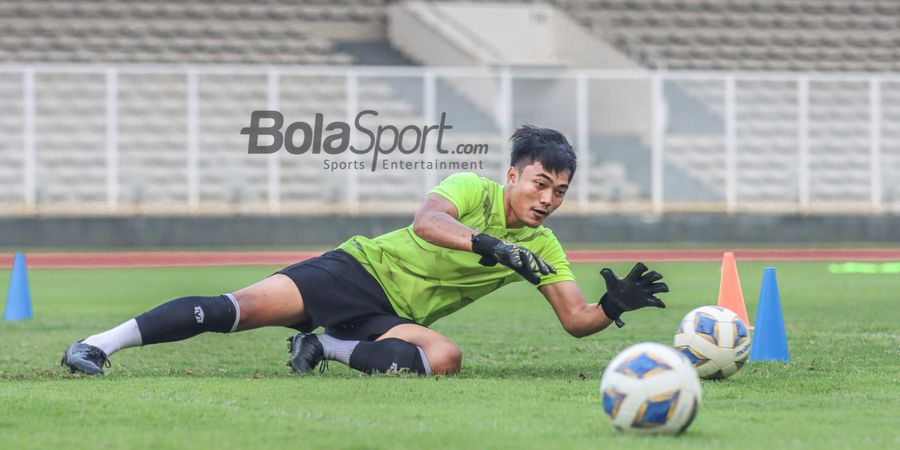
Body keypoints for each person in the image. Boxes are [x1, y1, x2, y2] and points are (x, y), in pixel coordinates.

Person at [61, 125, 668, 376]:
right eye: (540, 184)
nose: (548, 199)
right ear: (512, 176)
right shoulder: (470, 190)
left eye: (559, 192)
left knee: (444, 358)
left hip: (389, 318)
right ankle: (97, 345)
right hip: (356, 271)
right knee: (234, 310)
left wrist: (613, 307)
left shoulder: (543, 245)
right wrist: (489, 247)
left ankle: (322, 345)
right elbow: (427, 222)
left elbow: (574, 321)